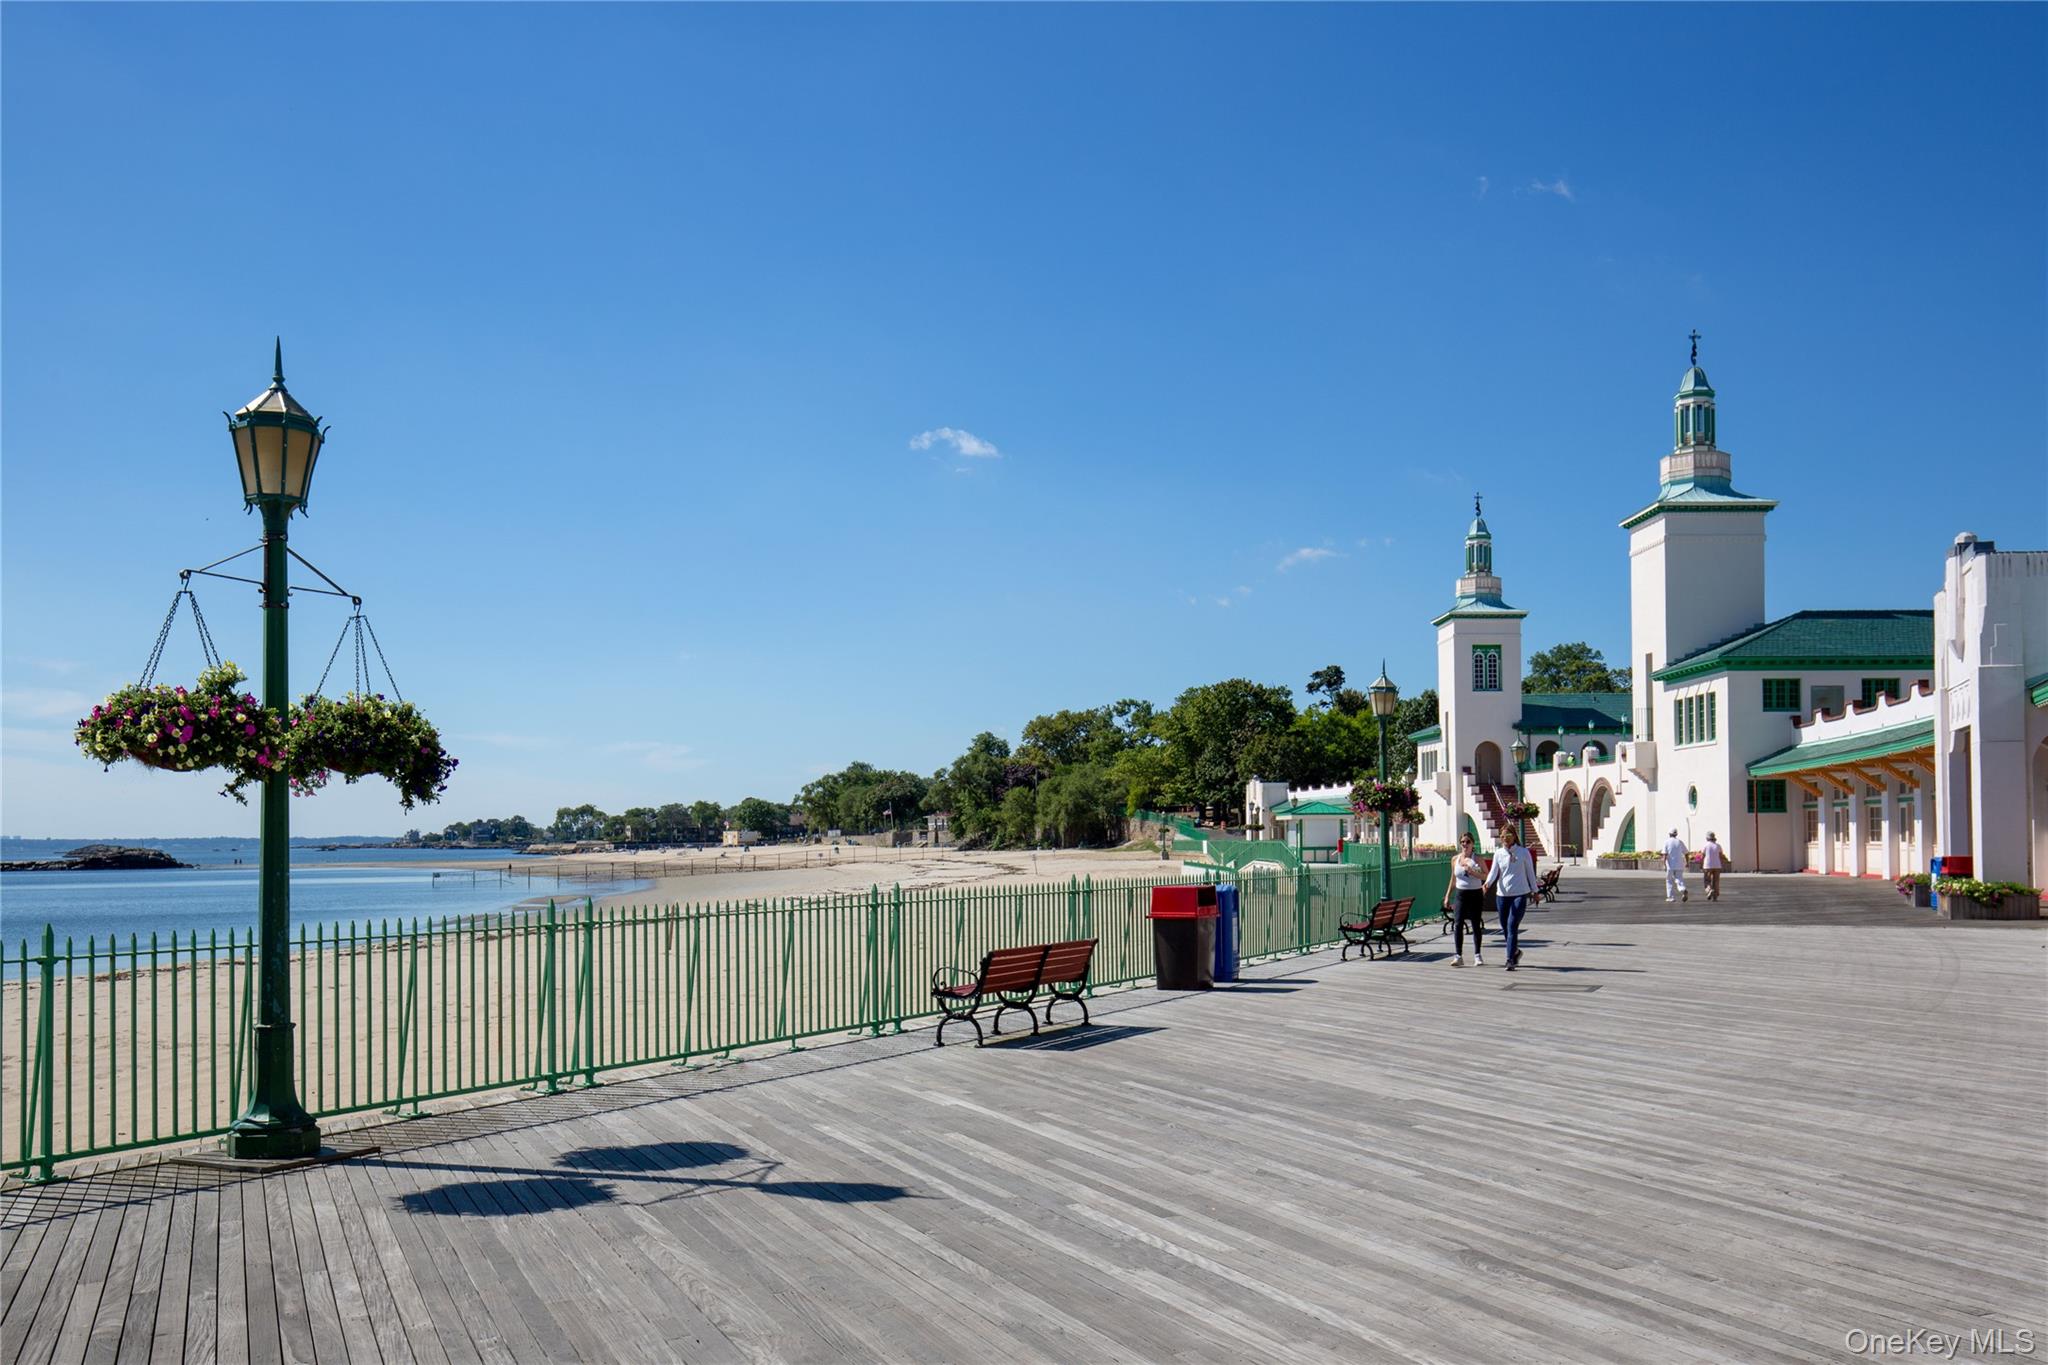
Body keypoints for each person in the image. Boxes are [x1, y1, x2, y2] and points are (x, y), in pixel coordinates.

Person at [1483, 824, 1538, 970]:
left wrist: (1535, 891)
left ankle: (1509, 960)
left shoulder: (1523, 852)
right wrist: (1487, 883)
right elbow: (1494, 872)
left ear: (1514, 836)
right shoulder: (1499, 853)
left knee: (1512, 925)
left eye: (1508, 835)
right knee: (1505, 927)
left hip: (1519, 893)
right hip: (1502, 894)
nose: (1505, 839)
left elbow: (1530, 873)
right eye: (1502, 836)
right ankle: (1515, 951)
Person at [1445, 832, 1489, 966]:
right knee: (1458, 923)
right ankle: (1458, 956)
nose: (1465, 844)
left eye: (1468, 842)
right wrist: (1447, 896)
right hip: (1461, 894)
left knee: (1476, 924)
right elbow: (1453, 879)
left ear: (1472, 844)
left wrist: (1473, 872)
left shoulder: (1478, 859)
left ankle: (1477, 955)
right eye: (1462, 842)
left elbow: (1487, 876)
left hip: (1475, 893)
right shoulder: (1455, 859)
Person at [1663, 829, 1689, 902]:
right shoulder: (1680, 842)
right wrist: (1687, 862)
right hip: (1679, 865)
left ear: (1669, 834)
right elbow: (1686, 853)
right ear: (1676, 834)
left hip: (1670, 865)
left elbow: (1665, 854)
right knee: (1679, 880)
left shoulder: (1666, 842)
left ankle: (1670, 897)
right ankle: (1683, 889)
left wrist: (1664, 864)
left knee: (1669, 880)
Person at [1701, 832, 1725, 901]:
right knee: (1716, 881)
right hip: (1717, 865)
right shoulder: (1718, 846)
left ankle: (1709, 890)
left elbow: (1703, 856)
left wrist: (1701, 864)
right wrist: (1721, 864)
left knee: (1707, 880)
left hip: (1708, 866)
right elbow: (1721, 856)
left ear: (1707, 838)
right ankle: (1715, 896)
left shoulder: (1705, 846)